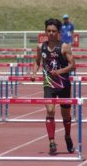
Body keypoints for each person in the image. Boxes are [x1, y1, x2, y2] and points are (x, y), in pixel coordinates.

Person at [31, 18, 75, 155]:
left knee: (65, 114)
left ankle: (67, 136)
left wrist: (60, 72)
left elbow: (73, 66)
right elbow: (37, 62)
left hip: (63, 84)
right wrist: (33, 73)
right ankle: (51, 142)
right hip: (48, 83)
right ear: (45, 31)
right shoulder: (41, 47)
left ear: (58, 32)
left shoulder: (64, 47)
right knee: (50, 110)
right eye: (48, 31)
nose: (50, 33)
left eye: (53, 31)